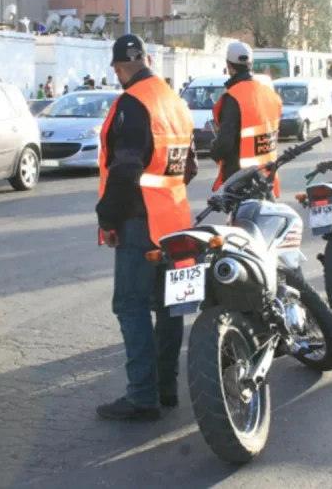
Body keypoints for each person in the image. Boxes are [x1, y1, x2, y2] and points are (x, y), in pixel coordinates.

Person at [95, 34, 198, 421]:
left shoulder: (132, 103)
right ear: (148, 60)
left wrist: (108, 218)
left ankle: (142, 395)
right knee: (170, 307)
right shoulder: (175, 102)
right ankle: (166, 387)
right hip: (177, 220)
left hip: (141, 223)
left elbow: (125, 170)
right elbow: (189, 167)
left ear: (118, 68)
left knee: (130, 305)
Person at [209, 41, 282, 197]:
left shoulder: (233, 97)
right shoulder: (270, 94)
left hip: (241, 180)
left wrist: (214, 150)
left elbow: (225, 143)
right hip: (267, 176)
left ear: (229, 65)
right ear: (251, 64)